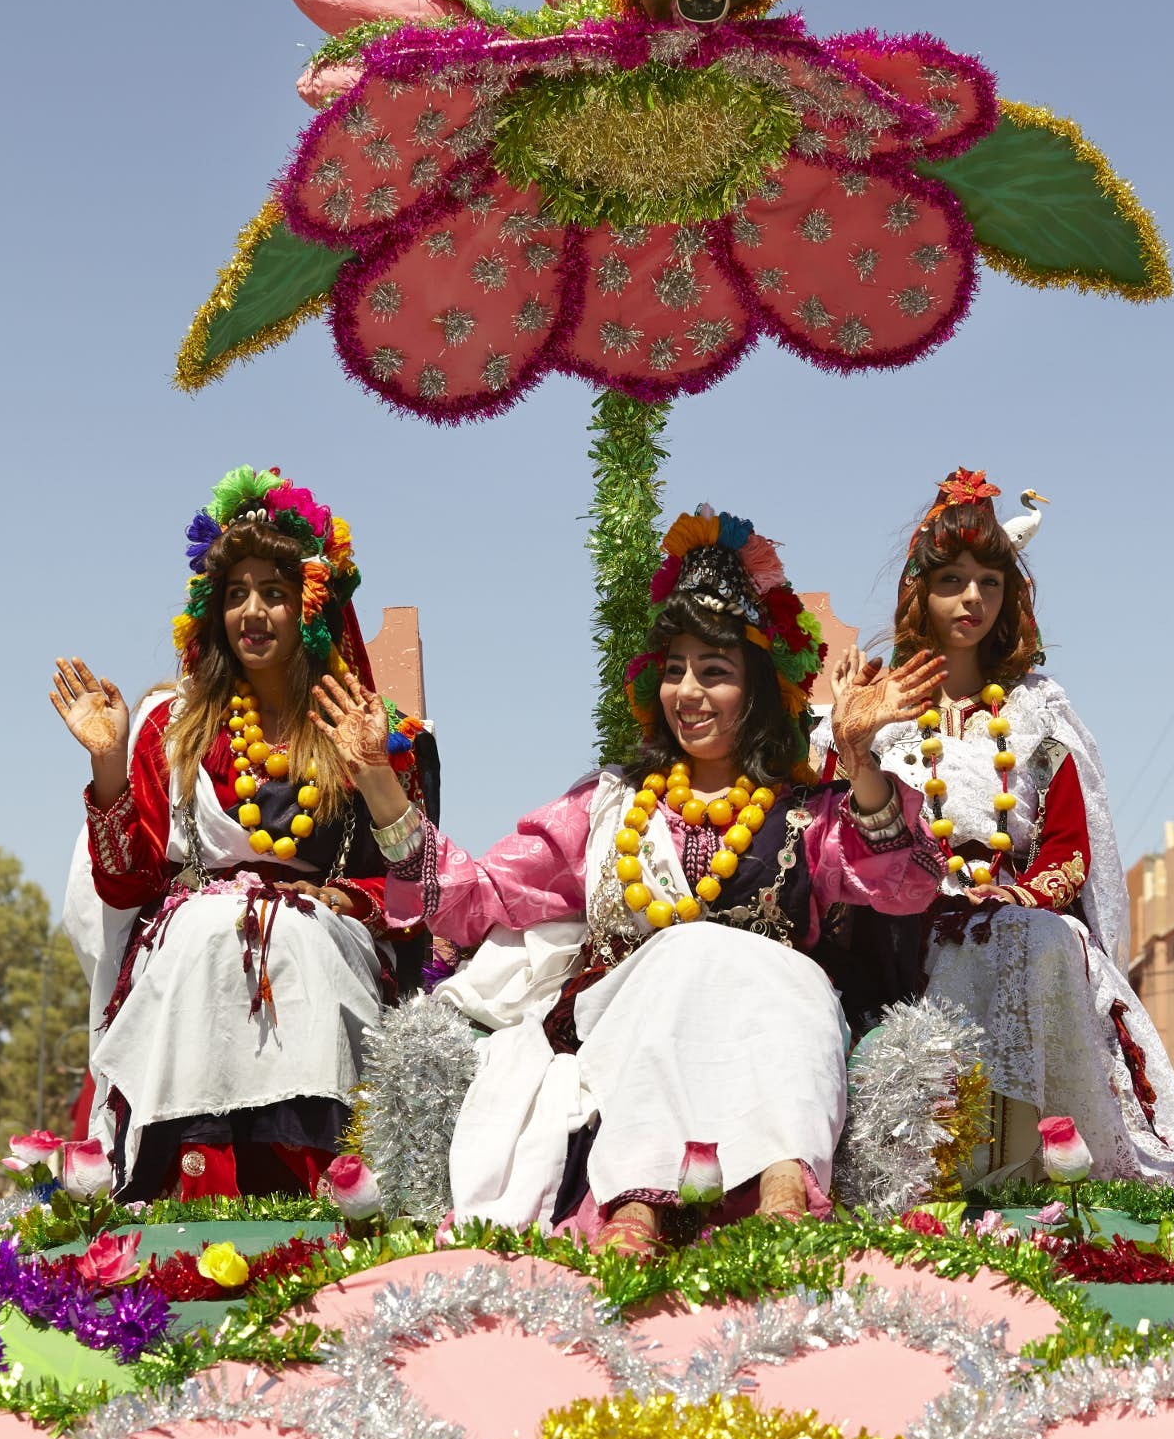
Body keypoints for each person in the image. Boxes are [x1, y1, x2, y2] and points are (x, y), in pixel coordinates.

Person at [316, 508, 945, 1254]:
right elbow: (471, 901)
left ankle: (783, 1192)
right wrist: (379, 784)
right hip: (631, 1036)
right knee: (681, 955)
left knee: (772, 973)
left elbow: (907, 885)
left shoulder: (809, 814)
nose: (689, 691)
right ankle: (635, 1206)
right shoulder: (605, 809)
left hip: (771, 1035)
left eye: (715, 672)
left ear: (759, 690)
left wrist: (860, 759)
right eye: (676, 669)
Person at [55, 466, 423, 1201]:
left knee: (298, 940)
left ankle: (321, 1186)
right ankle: (185, 1185)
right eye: (235, 594)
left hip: (326, 939)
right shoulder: (172, 727)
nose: (252, 612)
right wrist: (108, 765)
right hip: (192, 943)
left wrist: (340, 898)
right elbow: (126, 885)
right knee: (207, 932)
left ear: (310, 606)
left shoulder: (363, 726)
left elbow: (412, 886)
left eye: (273, 593)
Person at [836, 469, 1174, 1192]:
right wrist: (853, 739)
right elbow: (837, 835)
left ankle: (1027, 1180)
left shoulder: (1038, 712)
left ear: (1010, 596)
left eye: (989, 581)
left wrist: (1016, 897)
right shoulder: (877, 704)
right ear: (920, 591)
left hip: (1019, 918)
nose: (972, 597)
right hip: (898, 930)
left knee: (1028, 940)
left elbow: (1069, 846)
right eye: (952, 580)